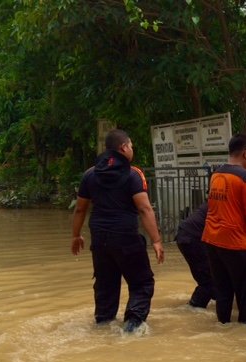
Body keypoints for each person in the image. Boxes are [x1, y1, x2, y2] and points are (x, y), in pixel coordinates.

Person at [71, 129, 165, 333]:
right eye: (130, 146)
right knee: (142, 282)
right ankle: (132, 326)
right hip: (125, 237)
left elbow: (80, 208)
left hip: (100, 240)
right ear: (123, 148)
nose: (132, 149)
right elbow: (144, 208)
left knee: (105, 285)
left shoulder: (90, 174)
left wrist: (76, 235)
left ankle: (103, 326)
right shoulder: (133, 174)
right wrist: (156, 240)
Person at [201, 133, 246, 326]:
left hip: (211, 240)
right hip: (235, 244)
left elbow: (225, 209)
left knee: (223, 291)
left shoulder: (216, 173)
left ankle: (223, 326)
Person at [175, 202, 216, 308]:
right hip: (193, 239)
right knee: (209, 281)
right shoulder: (225, 206)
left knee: (210, 276)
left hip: (185, 236)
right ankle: (193, 307)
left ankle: (210, 299)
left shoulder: (215, 202)